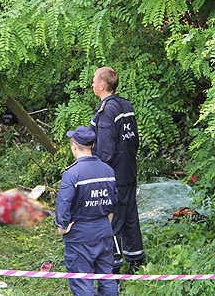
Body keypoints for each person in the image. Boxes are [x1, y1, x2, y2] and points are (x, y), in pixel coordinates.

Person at [90, 66, 145, 274]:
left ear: (103, 86)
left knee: (111, 220)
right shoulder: (126, 105)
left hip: (114, 176)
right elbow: (135, 141)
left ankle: (112, 269)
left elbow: (105, 149)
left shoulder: (106, 111)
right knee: (130, 216)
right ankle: (137, 261)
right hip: (129, 171)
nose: (93, 84)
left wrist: (97, 173)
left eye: (95, 81)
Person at [56, 126, 118, 296]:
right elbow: (113, 205)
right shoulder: (108, 170)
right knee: (107, 277)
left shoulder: (72, 174)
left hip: (80, 237)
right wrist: (105, 224)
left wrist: (62, 226)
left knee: (82, 282)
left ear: (73, 147)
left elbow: (63, 204)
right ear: (92, 145)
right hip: (104, 232)